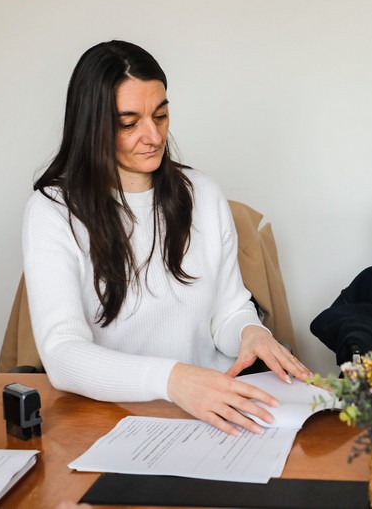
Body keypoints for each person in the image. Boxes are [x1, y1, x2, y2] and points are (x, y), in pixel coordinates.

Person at [23, 40, 310, 436]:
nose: (154, 136)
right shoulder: (53, 211)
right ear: (91, 125)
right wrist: (173, 380)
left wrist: (251, 332)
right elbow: (63, 354)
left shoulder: (202, 194)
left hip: (212, 414)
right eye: (129, 123)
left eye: (160, 115)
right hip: (111, 422)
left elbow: (229, 312)